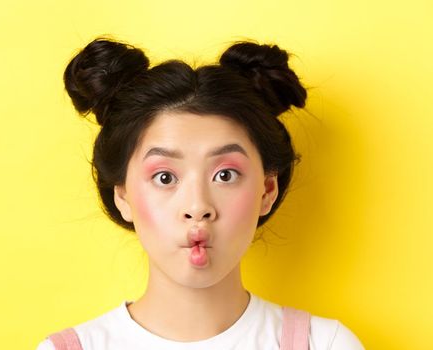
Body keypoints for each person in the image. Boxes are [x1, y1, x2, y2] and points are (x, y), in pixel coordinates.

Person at [37, 36, 365, 349]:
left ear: (267, 189)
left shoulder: (325, 344)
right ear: (122, 196)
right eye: (165, 177)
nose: (198, 206)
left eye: (225, 174)